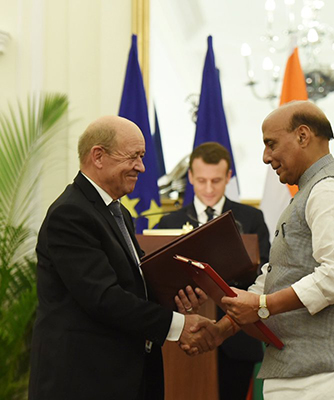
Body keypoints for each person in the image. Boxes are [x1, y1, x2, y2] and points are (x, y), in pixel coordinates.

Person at [29, 116, 228, 400]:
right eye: (133, 156)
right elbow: (103, 298)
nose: (142, 167)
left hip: (124, 376)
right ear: (98, 156)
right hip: (83, 380)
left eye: (142, 156)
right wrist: (178, 325)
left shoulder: (118, 212)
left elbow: (134, 284)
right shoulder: (70, 214)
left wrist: (176, 294)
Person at [215, 100, 334, 399]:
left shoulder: (329, 190)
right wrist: (223, 328)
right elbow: (281, 273)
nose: (266, 157)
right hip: (312, 374)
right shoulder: (312, 190)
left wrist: (263, 305)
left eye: (271, 144)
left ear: (303, 136)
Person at [156, 141, 270, 399]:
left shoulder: (251, 218)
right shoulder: (168, 222)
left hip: (235, 338)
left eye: (216, 181)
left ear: (228, 177)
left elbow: (264, 270)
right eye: (202, 180)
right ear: (191, 177)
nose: (209, 188)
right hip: (182, 337)